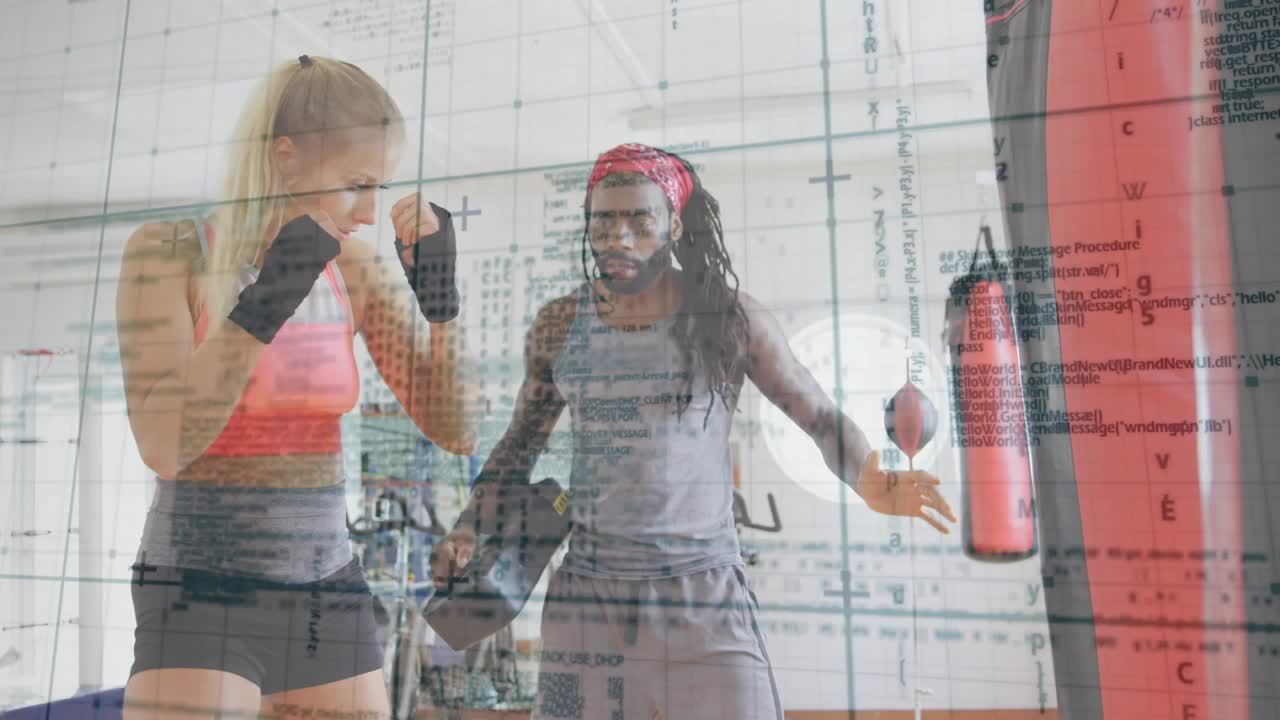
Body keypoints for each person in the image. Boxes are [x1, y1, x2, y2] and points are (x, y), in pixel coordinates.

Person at [431, 142, 958, 719]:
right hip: (589, 597)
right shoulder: (560, 324)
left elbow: (819, 416)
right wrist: (466, 528)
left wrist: (868, 478)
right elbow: (520, 445)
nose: (620, 238)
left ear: (674, 223)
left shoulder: (726, 317)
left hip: (702, 593)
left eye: (640, 220)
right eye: (603, 222)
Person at [115, 55, 481, 720]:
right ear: (286, 159)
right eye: (356, 185)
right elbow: (165, 445)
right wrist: (265, 300)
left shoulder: (357, 269)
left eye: (381, 189)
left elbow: (457, 431)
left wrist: (444, 311)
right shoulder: (167, 252)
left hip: (324, 590)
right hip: (199, 587)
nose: (370, 213)